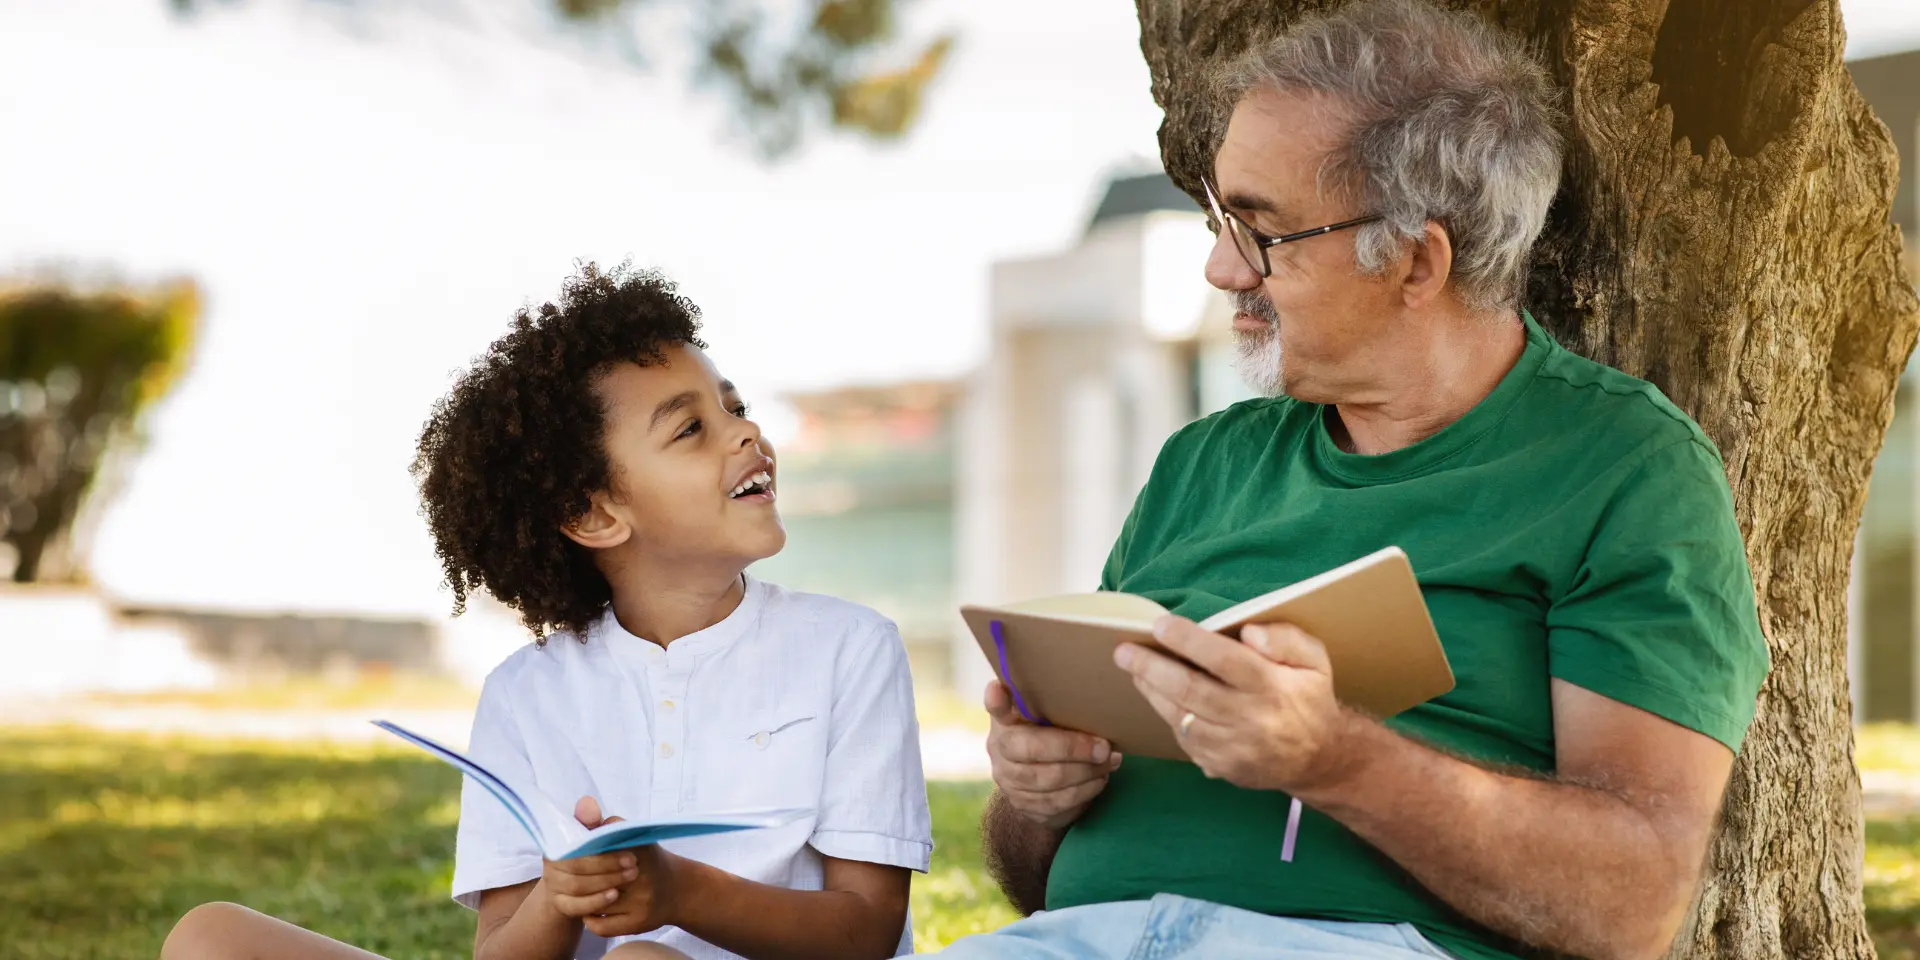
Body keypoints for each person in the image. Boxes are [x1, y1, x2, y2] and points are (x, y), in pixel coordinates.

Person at [952, 2, 1770, 959]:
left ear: (1417, 261)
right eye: (1221, 219)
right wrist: (1036, 795)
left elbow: (1629, 909)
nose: (1222, 269)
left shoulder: (1627, 468)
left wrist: (1331, 758)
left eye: (1262, 232)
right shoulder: (1202, 463)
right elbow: (1030, 876)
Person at [160, 263, 933, 960]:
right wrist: (561, 896)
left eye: (734, 407)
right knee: (210, 938)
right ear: (595, 516)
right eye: (692, 428)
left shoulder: (850, 650)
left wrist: (679, 894)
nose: (747, 433)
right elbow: (499, 954)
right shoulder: (525, 695)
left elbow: (866, 929)